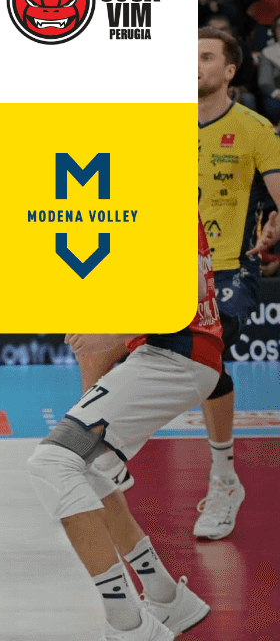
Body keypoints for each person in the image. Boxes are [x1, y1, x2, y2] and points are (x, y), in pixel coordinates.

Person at [25, 221, 220, 641]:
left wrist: (110, 332)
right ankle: (167, 598)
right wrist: (92, 431)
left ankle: (129, 624)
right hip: (169, 353)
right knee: (79, 466)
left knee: (51, 464)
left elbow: (181, 295)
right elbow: (97, 352)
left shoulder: (152, 203)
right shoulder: (141, 208)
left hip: (176, 354)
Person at [192, 26, 268, 538]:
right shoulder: (159, 125)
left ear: (230, 70)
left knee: (208, 348)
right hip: (169, 265)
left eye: (205, 57)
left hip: (231, 267)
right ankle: (105, 456)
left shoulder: (255, 128)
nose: (194, 66)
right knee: (99, 342)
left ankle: (223, 479)